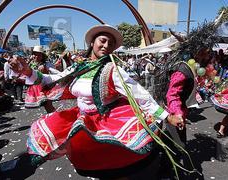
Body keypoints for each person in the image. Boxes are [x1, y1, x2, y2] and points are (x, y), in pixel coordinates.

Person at [9, 24, 183, 172]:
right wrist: (28, 72)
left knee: (112, 165)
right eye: (102, 40)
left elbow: (140, 94)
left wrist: (167, 116)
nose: (106, 45)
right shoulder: (80, 67)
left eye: (111, 43)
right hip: (82, 119)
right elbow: (53, 80)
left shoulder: (113, 70)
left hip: (106, 121)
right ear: (92, 42)